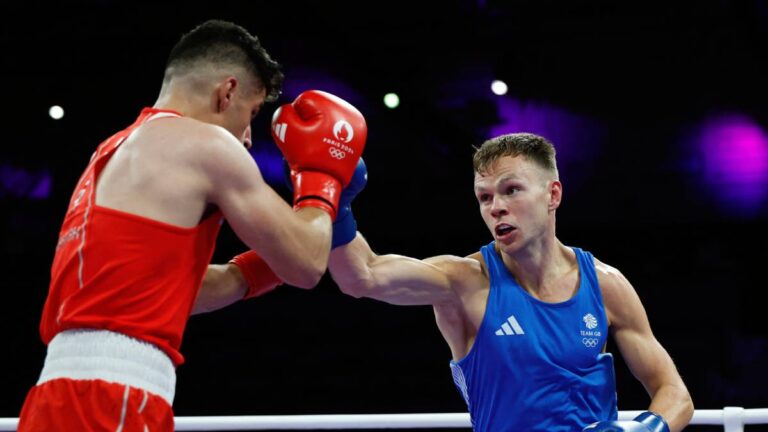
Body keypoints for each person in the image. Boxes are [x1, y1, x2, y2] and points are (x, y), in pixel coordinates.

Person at [18, 19, 367, 431]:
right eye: (251, 113)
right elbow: (307, 264)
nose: (249, 138)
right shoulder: (207, 145)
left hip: (54, 397)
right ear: (227, 92)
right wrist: (322, 186)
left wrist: (256, 266)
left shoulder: (111, 151)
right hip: (115, 398)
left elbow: (176, 289)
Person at [328, 133, 693, 431]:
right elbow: (362, 276)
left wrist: (646, 429)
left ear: (553, 195)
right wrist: (330, 204)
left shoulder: (604, 283)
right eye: (484, 197)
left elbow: (674, 392)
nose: (495, 207)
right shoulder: (464, 282)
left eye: (511, 190)